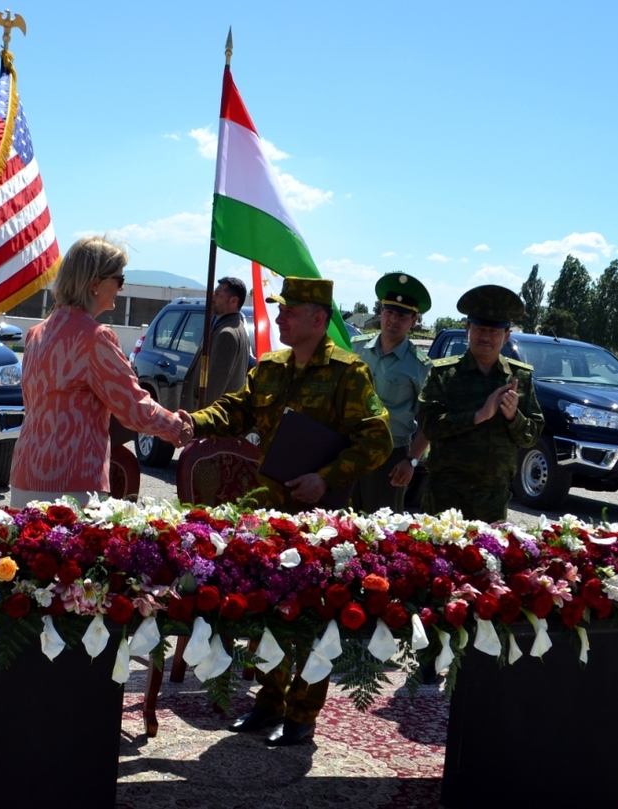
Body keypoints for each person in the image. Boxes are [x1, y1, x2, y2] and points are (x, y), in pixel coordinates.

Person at [182, 277, 391, 746]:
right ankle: (268, 702)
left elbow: (378, 439)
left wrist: (328, 476)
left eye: (290, 311)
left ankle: (301, 714)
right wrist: (192, 422)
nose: (279, 318)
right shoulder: (270, 368)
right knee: (268, 610)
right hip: (271, 514)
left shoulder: (348, 373)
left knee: (315, 616)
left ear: (319, 320)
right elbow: (237, 410)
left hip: (321, 520)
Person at [9, 236, 193, 508]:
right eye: (119, 280)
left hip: (26, 471)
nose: (122, 287)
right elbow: (133, 407)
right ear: (95, 283)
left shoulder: (36, 334)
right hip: (72, 480)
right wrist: (177, 427)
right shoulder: (95, 338)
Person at [418, 285, 545, 522]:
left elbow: (532, 436)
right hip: (445, 492)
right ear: (467, 329)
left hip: (493, 496)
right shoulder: (444, 374)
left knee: (488, 557)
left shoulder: (520, 378)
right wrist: (477, 416)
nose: (485, 337)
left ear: (506, 335)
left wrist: (513, 417)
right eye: (479, 329)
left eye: (494, 331)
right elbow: (428, 426)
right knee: (438, 557)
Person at [354, 273, 432, 514]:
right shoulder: (356, 347)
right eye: (389, 311)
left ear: (413, 320)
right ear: (381, 312)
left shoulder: (421, 366)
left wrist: (411, 461)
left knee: (382, 529)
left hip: (391, 455)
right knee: (342, 523)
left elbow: (428, 421)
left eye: (402, 315)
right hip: (351, 446)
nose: (393, 319)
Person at [180, 276, 251, 411]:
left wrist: (198, 422)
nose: (213, 297)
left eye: (218, 294)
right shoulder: (237, 328)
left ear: (233, 301)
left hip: (210, 423)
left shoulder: (227, 334)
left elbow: (213, 390)